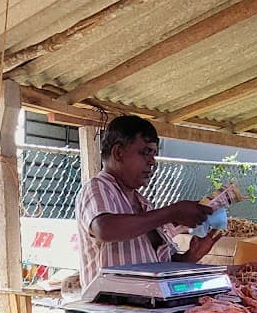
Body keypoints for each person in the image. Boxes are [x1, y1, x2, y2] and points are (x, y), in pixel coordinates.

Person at [75, 115, 220, 289]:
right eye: (145, 153)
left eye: (154, 154)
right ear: (118, 153)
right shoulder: (98, 188)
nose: (152, 162)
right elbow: (105, 229)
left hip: (145, 308)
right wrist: (172, 212)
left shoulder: (143, 204)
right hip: (110, 311)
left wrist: (191, 256)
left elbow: (161, 266)